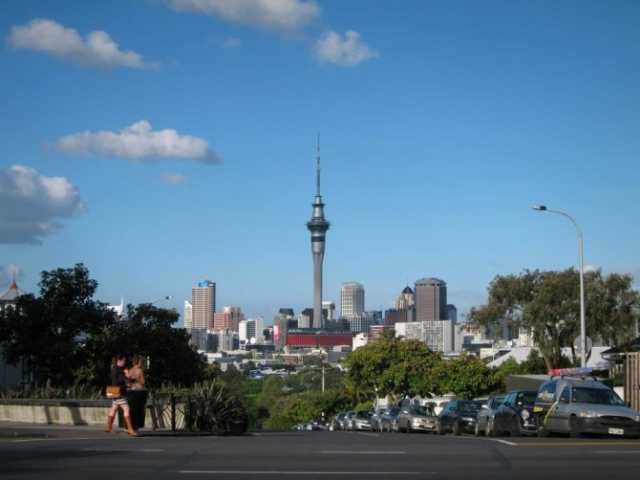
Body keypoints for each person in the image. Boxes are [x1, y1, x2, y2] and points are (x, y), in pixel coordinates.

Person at [105, 354, 137, 436]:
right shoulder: (118, 370)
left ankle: (108, 427)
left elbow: (114, 380)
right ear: (120, 360)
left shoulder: (114, 368)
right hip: (119, 392)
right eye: (124, 361)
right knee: (126, 408)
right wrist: (127, 382)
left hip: (113, 391)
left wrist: (128, 379)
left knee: (114, 408)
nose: (125, 362)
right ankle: (130, 429)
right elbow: (119, 381)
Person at [126, 356, 148, 432]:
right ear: (138, 362)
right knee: (139, 410)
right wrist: (138, 379)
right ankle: (136, 427)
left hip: (130, 392)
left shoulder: (130, 370)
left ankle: (131, 427)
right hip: (139, 392)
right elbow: (143, 382)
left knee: (132, 410)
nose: (141, 364)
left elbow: (128, 384)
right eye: (141, 362)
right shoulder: (140, 371)